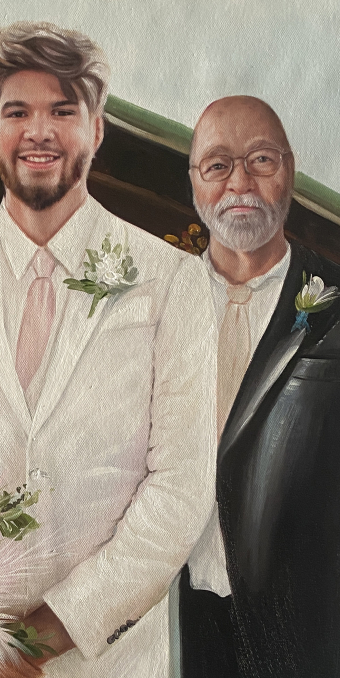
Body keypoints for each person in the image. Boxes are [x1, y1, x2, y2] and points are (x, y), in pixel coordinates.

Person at [0, 22, 216, 678]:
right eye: (15, 111)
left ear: (96, 129)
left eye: (62, 110)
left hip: (110, 662)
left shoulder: (170, 281)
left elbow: (181, 488)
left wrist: (43, 638)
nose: (39, 131)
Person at [179, 96, 340, 678]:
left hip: (306, 633)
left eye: (261, 161)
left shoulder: (335, 301)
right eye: (218, 166)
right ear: (195, 183)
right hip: (175, 623)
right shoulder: (151, 306)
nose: (239, 183)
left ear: (289, 170)